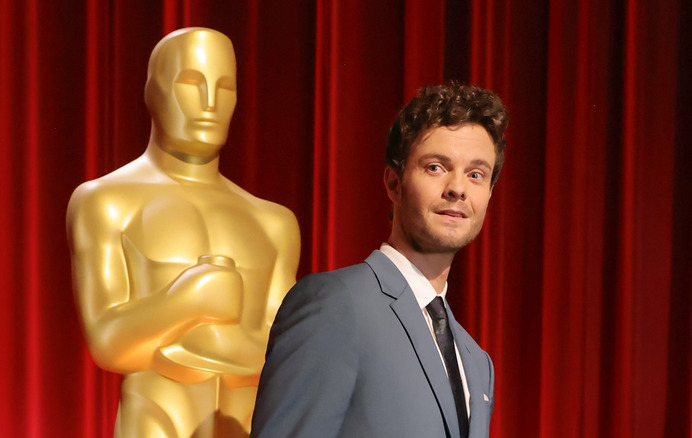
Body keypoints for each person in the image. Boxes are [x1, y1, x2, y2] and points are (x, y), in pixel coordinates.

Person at [67, 28, 300, 437]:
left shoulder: (272, 222)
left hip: (246, 424)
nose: (210, 104)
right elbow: (107, 341)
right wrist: (187, 301)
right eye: (191, 83)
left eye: (224, 88)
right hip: (156, 419)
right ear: (153, 91)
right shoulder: (107, 202)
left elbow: (286, 352)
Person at [251, 83, 508, 438]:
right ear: (394, 183)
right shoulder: (336, 306)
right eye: (436, 167)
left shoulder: (477, 363)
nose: (458, 188)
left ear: (489, 194)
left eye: (476, 174)